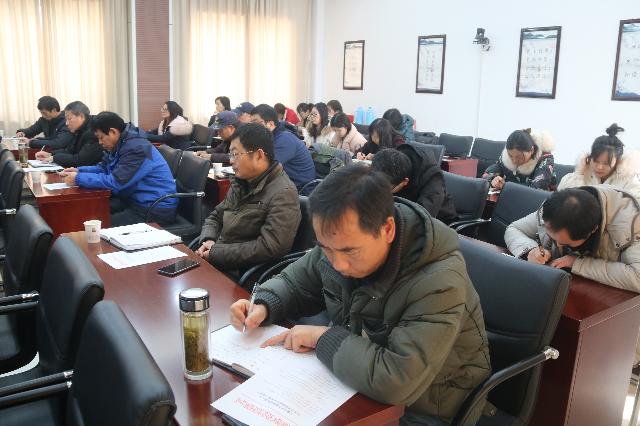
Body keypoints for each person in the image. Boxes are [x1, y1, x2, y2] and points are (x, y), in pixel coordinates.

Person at [229, 165, 491, 425]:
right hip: (356, 376)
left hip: (430, 404)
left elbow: (397, 381)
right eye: (326, 249)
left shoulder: (439, 281)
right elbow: (295, 283)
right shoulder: (339, 241)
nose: (338, 264)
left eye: (350, 252)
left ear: (387, 230)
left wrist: (323, 338)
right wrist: (264, 304)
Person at [195, 123, 301, 279]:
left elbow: (270, 247)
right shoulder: (241, 182)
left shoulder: (283, 193)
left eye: (235, 154)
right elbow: (216, 216)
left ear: (258, 155)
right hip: (218, 258)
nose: (231, 161)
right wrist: (208, 239)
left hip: (241, 273)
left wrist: (217, 252)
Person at [505, 186, 640, 290]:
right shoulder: (557, 207)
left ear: (593, 230)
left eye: (565, 243)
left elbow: (637, 278)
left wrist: (576, 263)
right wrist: (531, 250)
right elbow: (514, 229)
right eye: (552, 238)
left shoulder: (632, 224)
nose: (557, 245)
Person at [60, 111, 177, 226]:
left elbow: (116, 182)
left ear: (113, 132)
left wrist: (78, 178)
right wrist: (79, 171)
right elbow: (104, 168)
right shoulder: (121, 143)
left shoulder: (137, 148)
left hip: (155, 208)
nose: (100, 142)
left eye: (101, 137)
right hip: (133, 200)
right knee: (88, 213)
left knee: (98, 227)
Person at [372, 145, 457, 223]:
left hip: (439, 222)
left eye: (388, 189)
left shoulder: (432, 178)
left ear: (405, 181)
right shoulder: (392, 160)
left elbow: (422, 218)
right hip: (401, 211)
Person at [558, 123, 640, 199]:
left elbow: (636, 200)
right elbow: (563, 195)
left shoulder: (628, 178)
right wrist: (579, 174)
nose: (600, 167)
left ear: (618, 162)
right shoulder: (583, 173)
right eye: (596, 161)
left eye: (606, 163)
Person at [250, 104, 315, 192]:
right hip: (285, 184)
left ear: (270, 124)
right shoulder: (270, 137)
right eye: (251, 123)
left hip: (300, 189)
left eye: (255, 123)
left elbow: (266, 168)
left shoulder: (285, 139)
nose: (252, 128)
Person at [483, 128, 556, 191]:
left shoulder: (545, 160)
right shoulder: (505, 158)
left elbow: (535, 189)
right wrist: (493, 179)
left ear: (532, 150)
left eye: (519, 157)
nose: (514, 161)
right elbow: (487, 175)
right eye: (510, 156)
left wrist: (505, 186)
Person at [35, 101, 103, 167]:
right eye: (66, 119)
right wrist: (50, 154)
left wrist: (54, 158)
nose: (66, 123)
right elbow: (70, 150)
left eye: (69, 119)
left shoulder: (93, 132)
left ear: (81, 116)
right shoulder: (79, 129)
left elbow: (81, 160)